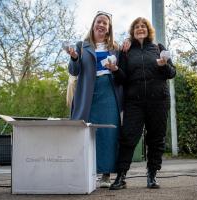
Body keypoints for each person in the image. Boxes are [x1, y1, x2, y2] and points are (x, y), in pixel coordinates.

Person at [107, 17, 176, 189]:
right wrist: (115, 70)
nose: (140, 29)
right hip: (134, 102)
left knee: (156, 139)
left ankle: (152, 175)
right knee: (128, 138)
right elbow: (122, 78)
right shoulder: (126, 51)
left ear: (148, 29)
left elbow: (172, 73)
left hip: (158, 101)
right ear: (133, 30)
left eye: (143, 26)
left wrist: (162, 65)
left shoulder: (159, 48)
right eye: (137, 27)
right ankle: (121, 176)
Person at [65, 11, 122, 188]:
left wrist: (115, 68)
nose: (102, 25)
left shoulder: (116, 48)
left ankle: (106, 174)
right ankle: (87, 171)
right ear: (93, 24)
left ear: (109, 28)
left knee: (108, 132)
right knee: (86, 131)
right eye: (99, 21)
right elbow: (73, 71)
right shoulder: (82, 45)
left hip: (108, 91)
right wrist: (74, 57)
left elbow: (122, 73)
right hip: (87, 92)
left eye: (105, 23)